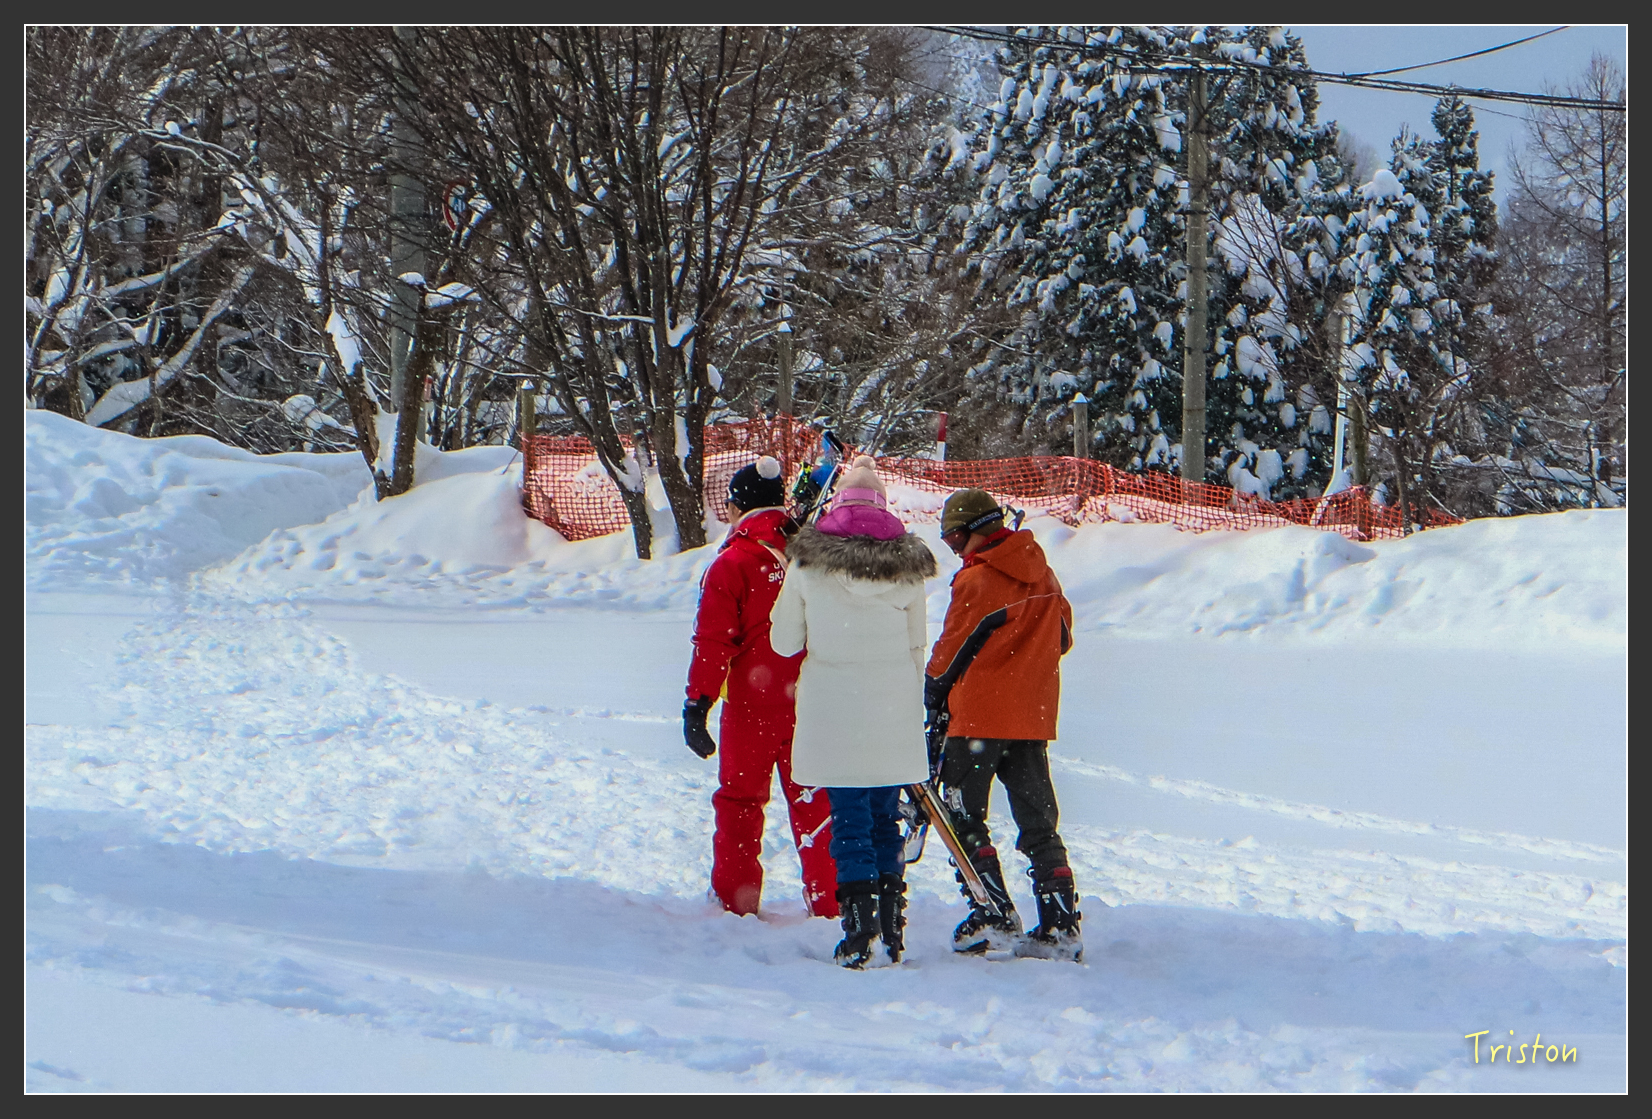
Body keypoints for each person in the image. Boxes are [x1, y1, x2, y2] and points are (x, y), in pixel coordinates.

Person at [769, 456, 938, 967]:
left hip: (833, 710)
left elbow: (783, 642)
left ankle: (859, 933)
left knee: (849, 820)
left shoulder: (807, 566)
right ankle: (892, 931)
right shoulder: (909, 573)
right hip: (891, 710)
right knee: (885, 818)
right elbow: (917, 648)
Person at [924, 488, 1083, 961]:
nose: (955, 550)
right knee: (1038, 821)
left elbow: (950, 651)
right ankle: (1060, 924)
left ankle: (991, 910)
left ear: (976, 530)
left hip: (976, 718)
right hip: (1031, 716)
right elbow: (1062, 636)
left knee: (962, 816)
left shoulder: (977, 581)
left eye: (955, 539)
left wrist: (931, 693)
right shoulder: (1044, 573)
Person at [684, 455, 838, 919]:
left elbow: (714, 642)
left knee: (740, 803)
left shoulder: (733, 562)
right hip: (811, 700)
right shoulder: (812, 556)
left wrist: (698, 703)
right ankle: (830, 901)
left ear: (737, 507)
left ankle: (737, 902)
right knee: (816, 804)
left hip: (751, 706)